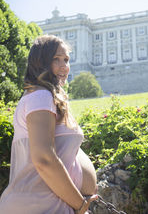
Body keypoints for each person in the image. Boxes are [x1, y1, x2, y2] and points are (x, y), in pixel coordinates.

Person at [0, 35, 98, 214]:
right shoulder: (40, 96)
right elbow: (44, 159)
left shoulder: (44, 97)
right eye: (56, 59)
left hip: (52, 204)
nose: (64, 66)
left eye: (66, 60)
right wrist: (80, 204)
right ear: (41, 63)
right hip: (43, 206)